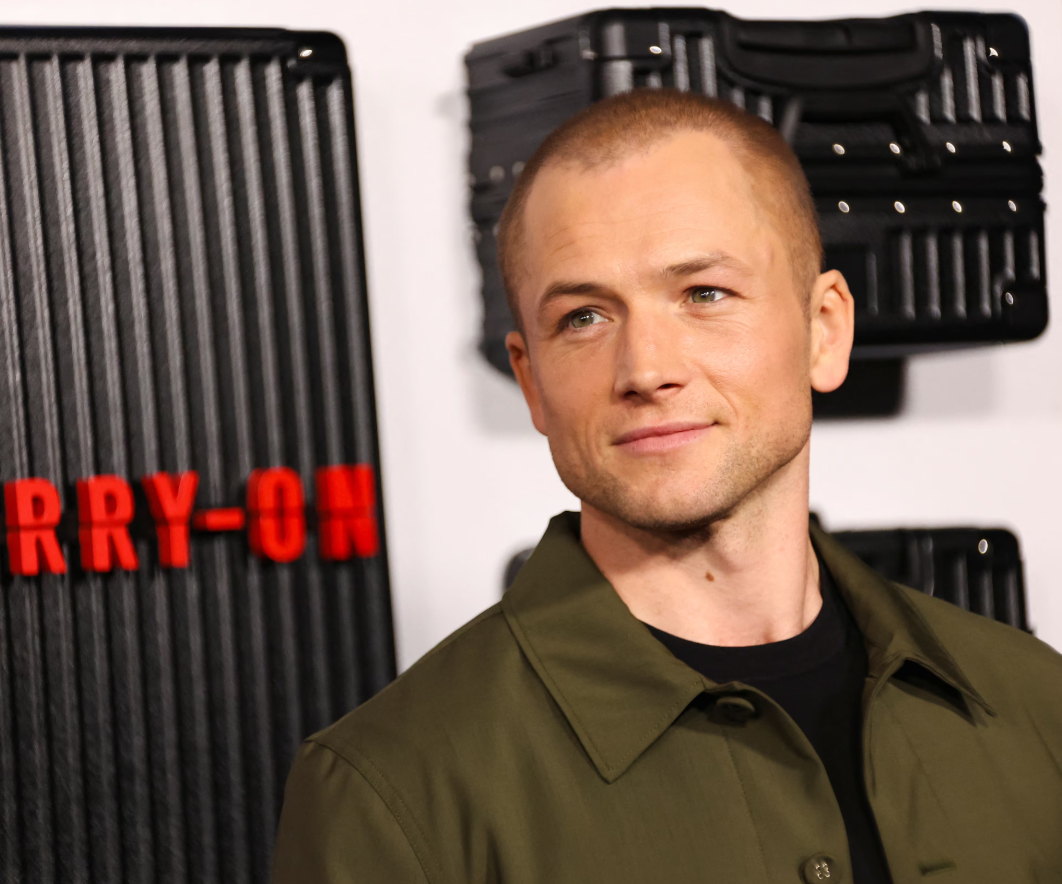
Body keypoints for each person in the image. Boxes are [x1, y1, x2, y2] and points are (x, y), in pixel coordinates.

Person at [270, 89, 1062, 883]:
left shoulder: (1036, 704)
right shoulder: (395, 791)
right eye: (584, 317)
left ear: (825, 329)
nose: (647, 369)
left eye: (704, 294)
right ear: (531, 381)